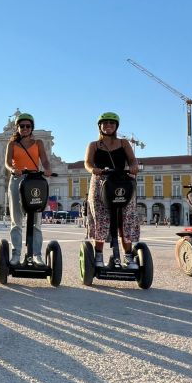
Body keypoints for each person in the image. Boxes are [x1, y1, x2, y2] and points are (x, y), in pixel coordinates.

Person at [83, 112, 140, 268]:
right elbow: (87, 162)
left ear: (116, 126)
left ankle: (128, 256)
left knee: (126, 218)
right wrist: (93, 169)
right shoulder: (94, 145)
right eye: (105, 123)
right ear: (100, 126)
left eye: (112, 123)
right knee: (101, 218)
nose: (108, 125)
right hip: (100, 182)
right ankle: (98, 255)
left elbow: (132, 160)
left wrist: (134, 166)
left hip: (121, 181)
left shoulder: (124, 143)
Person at [4, 113, 52, 265]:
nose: (25, 128)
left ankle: (37, 254)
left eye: (28, 126)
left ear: (32, 127)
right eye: (22, 126)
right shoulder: (12, 144)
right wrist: (13, 169)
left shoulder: (38, 142)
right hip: (17, 179)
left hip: (34, 180)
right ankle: (16, 254)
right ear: (17, 128)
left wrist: (47, 169)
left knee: (36, 220)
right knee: (16, 220)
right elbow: (7, 162)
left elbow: (44, 160)